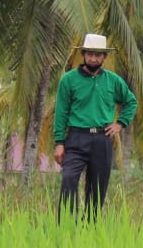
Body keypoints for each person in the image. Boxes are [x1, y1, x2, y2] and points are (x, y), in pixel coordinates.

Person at [52, 33, 137, 221]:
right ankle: (65, 226)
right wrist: (59, 142)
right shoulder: (69, 80)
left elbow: (131, 101)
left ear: (104, 57)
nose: (93, 58)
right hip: (76, 138)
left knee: (97, 189)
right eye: (90, 54)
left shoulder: (113, 81)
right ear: (83, 54)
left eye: (98, 55)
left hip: (102, 139)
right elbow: (61, 112)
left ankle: (89, 230)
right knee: (68, 179)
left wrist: (120, 123)